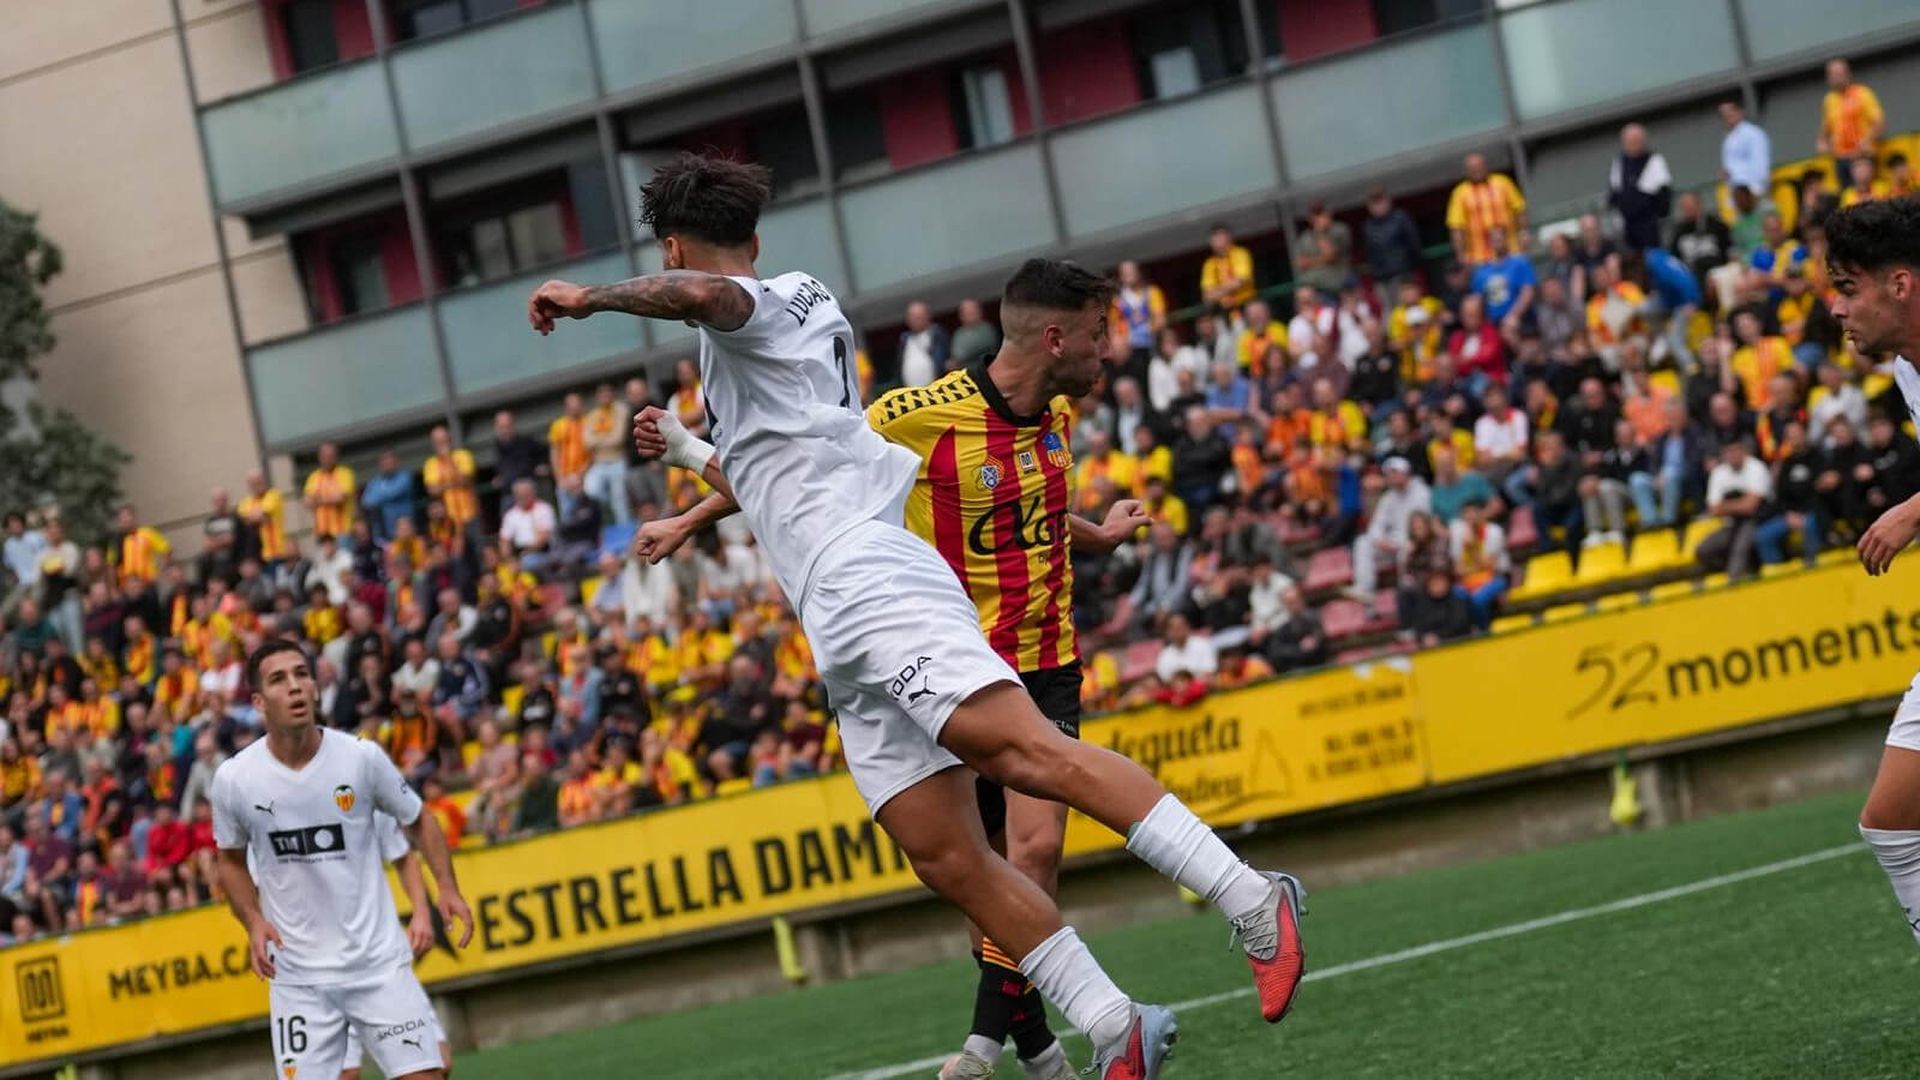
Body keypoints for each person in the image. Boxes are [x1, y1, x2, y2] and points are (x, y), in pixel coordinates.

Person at [526, 153, 1304, 1078]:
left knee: (1026, 756)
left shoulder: (748, 306)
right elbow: (780, 474)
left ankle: (1250, 896)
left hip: (870, 578)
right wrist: (692, 463)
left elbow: (709, 295)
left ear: (672, 249)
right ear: (756, 236)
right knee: (945, 854)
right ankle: (1112, 1022)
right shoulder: (799, 309)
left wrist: (591, 300)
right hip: (837, 606)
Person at [211, 640, 470, 1080]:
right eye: (279, 679)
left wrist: (445, 888)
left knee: (431, 1072)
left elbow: (418, 818)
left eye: (302, 674)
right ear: (258, 702)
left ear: (315, 687)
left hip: (377, 966)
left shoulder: (361, 759)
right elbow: (230, 862)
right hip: (299, 979)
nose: (295, 686)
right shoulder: (235, 779)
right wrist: (253, 921)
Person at [1822, 201, 1920, 957]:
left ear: (1900, 284)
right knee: (1893, 823)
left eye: (1848, 287)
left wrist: (1913, 511)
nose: (1837, 308)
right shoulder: (1907, 371)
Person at [337, 813, 454, 1080]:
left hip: (382, 960)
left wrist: (422, 913)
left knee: (439, 1061)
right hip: (322, 969)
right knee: (346, 1073)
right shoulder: (276, 811)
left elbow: (404, 854)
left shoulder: (363, 799)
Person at [1446, 152, 1526, 267]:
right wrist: (1461, 253)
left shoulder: (1503, 183)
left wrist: (1523, 233)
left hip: (1511, 250)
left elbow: (1519, 209)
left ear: (1485, 166)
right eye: (1472, 168)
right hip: (1480, 257)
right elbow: (1456, 226)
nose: (1476, 170)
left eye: (1479, 166)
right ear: (1467, 171)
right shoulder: (1460, 193)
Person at [1607, 123, 1672, 252]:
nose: (1633, 145)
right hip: (1627, 228)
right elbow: (1614, 194)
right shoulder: (1619, 163)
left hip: (1650, 226)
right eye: (1630, 141)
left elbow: (1664, 196)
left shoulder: (1655, 161)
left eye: (1636, 141)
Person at [1817, 58, 1883, 176]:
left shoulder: (1862, 93)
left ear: (1848, 74)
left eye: (1839, 74)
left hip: (1862, 157)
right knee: (1846, 188)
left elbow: (1879, 121)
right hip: (1841, 159)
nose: (1836, 78)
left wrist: (1868, 140)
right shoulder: (1829, 100)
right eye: (1832, 75)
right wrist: (1822, 142)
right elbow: (1826, 128)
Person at [1718, 99, 1771, 199]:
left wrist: (1756, 190)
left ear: (1740, 112)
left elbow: (1760, 163)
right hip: (1736, 194)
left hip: (1753, 192)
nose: (1727, 117)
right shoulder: (1728, 140)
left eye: (1730, 112)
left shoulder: (1753, 133)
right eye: (1723, 115)